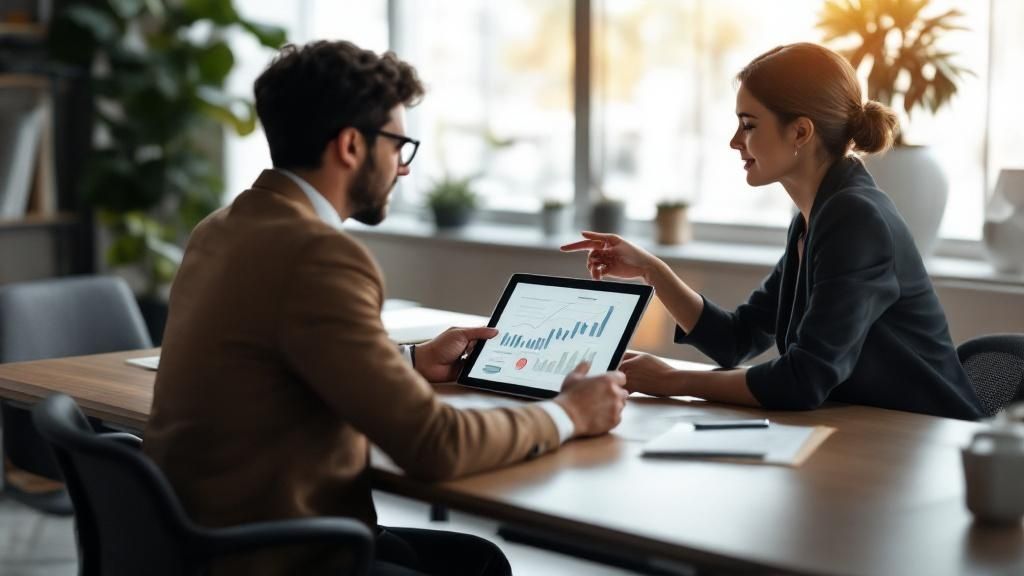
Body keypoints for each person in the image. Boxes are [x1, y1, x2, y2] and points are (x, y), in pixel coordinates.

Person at [143, 40, 629, 576]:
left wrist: (411, 361)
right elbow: (435, 447)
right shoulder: (318, 254)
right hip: (276, 556)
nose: (403, 168)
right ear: (351, 146)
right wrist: (568, 413)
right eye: (399, 145)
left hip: (196, 537)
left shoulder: (219, 228)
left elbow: (283, 359)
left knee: (477, 561)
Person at [561, 42, 983, 421]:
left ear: (800, 131)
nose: (734, 141)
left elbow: (803, 380)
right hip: (872, 432)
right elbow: (737, 339)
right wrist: (653, 271)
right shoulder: (815, 217)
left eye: (748, 125)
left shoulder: (855, 220)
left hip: (929, 443)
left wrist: (675, 381)